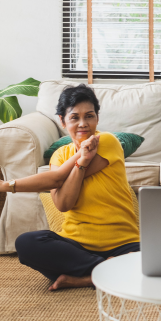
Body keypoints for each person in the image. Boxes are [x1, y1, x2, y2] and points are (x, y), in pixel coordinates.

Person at [0, 84, 140, 290]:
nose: (83, 124)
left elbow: (56, 179)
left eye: (89, 116)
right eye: (75, 117)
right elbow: (64, 204)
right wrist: (82, 162)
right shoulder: (59, 156)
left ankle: (87, 277)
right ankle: (109, 270)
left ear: (97, 118)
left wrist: (5, 186)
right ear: (62, 121)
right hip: (76, 247)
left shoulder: (108, 141)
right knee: (27, 243)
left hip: (123, 243)